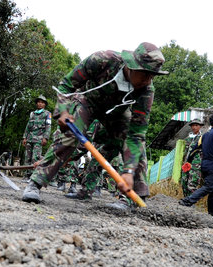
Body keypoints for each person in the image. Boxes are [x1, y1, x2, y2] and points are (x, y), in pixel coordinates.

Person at [22, 42, 169, 211]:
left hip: (117, 113)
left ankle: (131, 198)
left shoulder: (146, 90)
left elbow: (137, 133)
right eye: (144, 74)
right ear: (132, 66)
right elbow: (66, 84)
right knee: (71, 134)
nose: (147, 80)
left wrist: (128, 171)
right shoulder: (103, 60)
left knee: (135, 142)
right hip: (88, 101)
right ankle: (35, 183)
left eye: (152, 76)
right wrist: (63, 110)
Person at [179, 114, 213, 216]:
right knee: (208, 187)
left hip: (204, 166)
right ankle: (187, 201)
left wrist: (188, 161)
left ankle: (212, 213)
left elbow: (194, 149)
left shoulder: (205, 135)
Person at [22, 95, 52, 180]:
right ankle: (26, 175)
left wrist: (45, 138)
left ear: (45, 104)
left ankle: (33, 176)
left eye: (42, 102)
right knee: (27, 157)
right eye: (38, 102)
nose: (40, 104)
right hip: (30, 138)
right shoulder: (32, 114)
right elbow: (28, 126)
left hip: (39, 139)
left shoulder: (47, 114)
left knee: (35, 158)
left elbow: (48, 126)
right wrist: (24, 137)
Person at [180, 118, 204, 197]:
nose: (194, 127)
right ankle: (186, 199)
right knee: (184, 181)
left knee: (192, 183)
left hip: (196, 164)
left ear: (200, 126)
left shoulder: (202, 138)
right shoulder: (188, 138)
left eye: (196, 125)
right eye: (193, 125)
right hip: (187, 163)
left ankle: (191, 201)